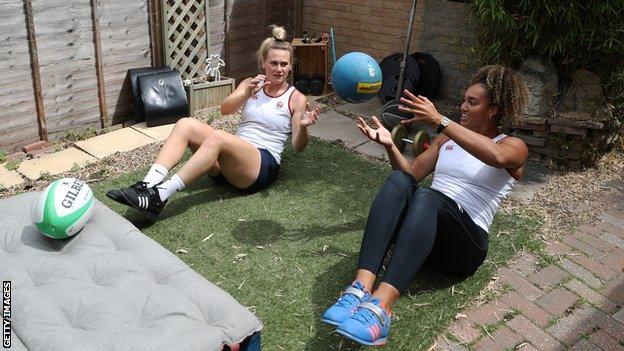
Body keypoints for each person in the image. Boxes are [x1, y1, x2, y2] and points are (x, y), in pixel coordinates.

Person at [321, 65, 530, 346]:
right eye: (464, 100)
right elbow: (412, 173)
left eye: (473, 102)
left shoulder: (513, 145)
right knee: (399, 181)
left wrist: (441, 120)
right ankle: (360, 288)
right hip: (423, 235)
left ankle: (381, 308)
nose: (463, 107)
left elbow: (496, 157)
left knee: (428, 197)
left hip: (462, 248)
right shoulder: (447, 139)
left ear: (493, 110)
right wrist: (389, 146)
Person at [106, 25, 320, 219]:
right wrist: (245, 92)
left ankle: (160, 196)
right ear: (263, 62)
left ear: (291, 66)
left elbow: (298, 147)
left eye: (284, 64)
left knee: (219, 137)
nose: (279, 69)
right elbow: (225, 110)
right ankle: (147, 184)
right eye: (274, 63)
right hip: (229, 164)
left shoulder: (296, 98)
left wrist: (302, 127)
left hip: (259, 167)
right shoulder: (251, 84)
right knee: (185, 124)